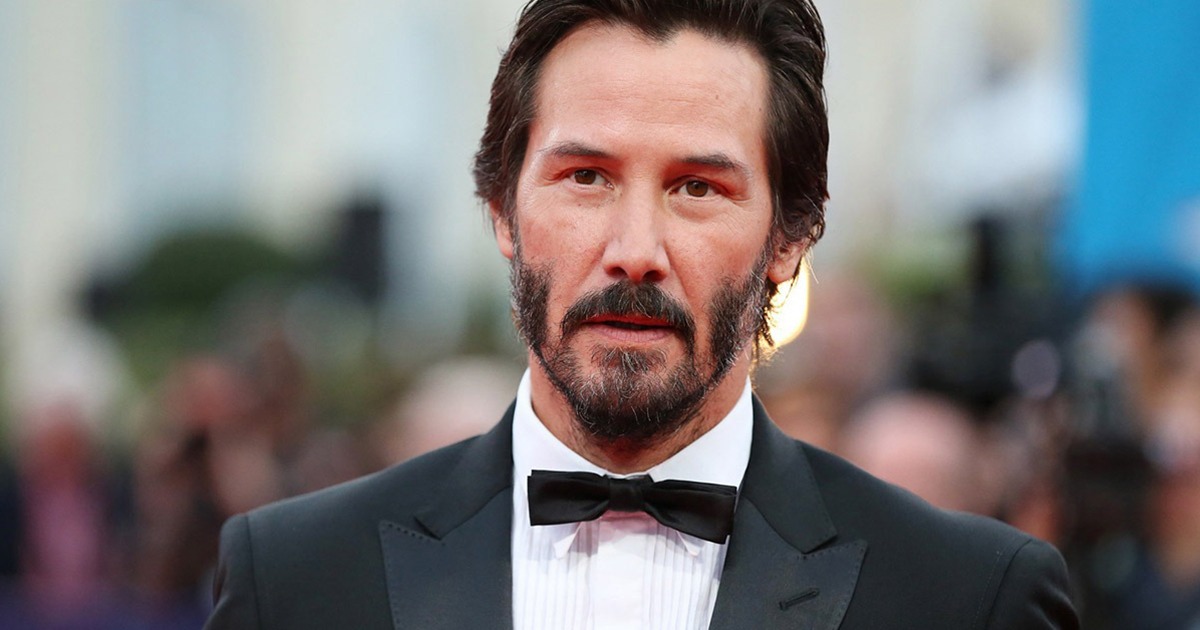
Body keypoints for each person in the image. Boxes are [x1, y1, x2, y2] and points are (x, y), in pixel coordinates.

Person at [205, 0, 1079, 628]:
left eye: (697, 188)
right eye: (585, 177)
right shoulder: (296, 580)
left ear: (789, 238)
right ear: (503, 209)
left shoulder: (967, 597)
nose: (634, 249)